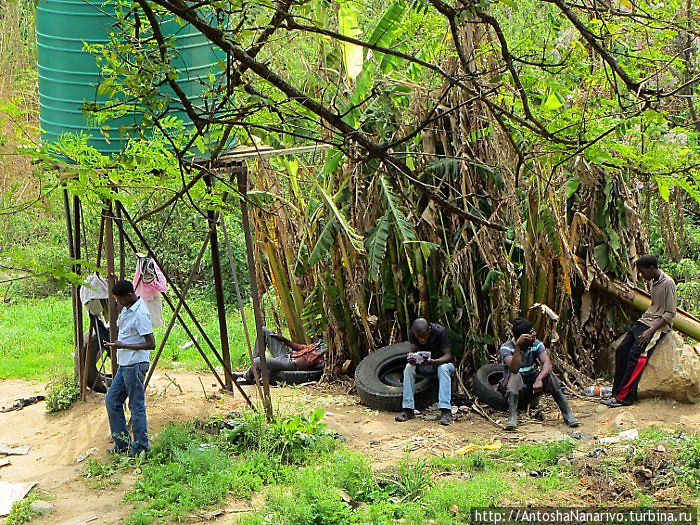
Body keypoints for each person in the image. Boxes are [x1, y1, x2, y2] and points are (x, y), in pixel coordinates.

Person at [604, 255, 677, 408]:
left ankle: (624, 397)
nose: (642, 276)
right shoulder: (652, 282)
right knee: (621, 350)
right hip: (645, 320)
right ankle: (616, 392)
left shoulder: (668, 283)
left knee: (636, 356)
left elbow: (670, 313)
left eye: (643, 272)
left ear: (651, 269)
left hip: (658, 325)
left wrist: (650, 331)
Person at [499, 318, 579, 430]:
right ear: (523, 337)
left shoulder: (536, 344)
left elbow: (547, 363)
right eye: (531, 332)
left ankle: (567, 414)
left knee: (549, 376)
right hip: (512, 386)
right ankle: (512, 417)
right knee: (515, 375)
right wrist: (517, 347)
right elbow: (514, 369)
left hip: (531, 384)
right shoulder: (506, 348)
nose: (535, 334)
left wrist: (539, 379)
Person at [104, 280, 155, 456]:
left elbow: (150, 344)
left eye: (119, 299)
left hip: (135, 364)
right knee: (112, 400)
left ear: (129, 295)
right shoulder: (127, 309)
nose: (118, 302)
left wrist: (123, 345)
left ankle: (141, 448)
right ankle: (123, 444)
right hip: (125, 364)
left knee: (136, 406)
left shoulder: (140, 313)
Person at [395, 318, 455, 426]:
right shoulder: (413, 333)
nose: (422, 340)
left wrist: (434, 362)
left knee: (443, 368)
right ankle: (408, 409)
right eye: (419, 338)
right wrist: (412, 358)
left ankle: (446, 411)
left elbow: (448, 355)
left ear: (430, 330)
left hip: (441, 364)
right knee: (408, 368)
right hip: (424, 365)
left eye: (425, 336)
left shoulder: (440, 331)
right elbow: (412, 351)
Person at [238, 327, 326, 384]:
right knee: (263, 330)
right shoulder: (319, 344)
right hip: (287, 355)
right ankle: (253, 370)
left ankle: (247, 377)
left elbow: (317, 366)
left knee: (258, 361)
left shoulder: (327, 353)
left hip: (292, 364)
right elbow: (301, 347)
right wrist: (283, 339)